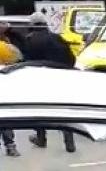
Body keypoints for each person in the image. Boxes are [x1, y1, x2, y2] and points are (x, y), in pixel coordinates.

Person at [9, 13, 77, 153]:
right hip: (60, 78)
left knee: (40, 110)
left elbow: (26, 60)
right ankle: (69, 143)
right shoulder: (57, 38)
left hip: (40, 81)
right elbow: (71, 58)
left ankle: (41, 139)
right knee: (62, 110)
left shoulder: (31, 40)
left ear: (32, 25)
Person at [0, 23, 22, 157]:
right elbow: (19, 59)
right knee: (5, 118)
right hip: (4, 87)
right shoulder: (7, 48)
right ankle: (10, 146)